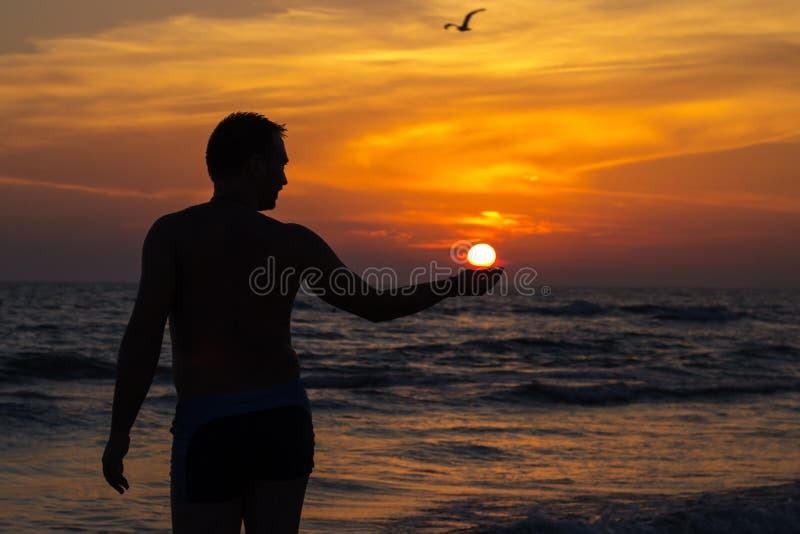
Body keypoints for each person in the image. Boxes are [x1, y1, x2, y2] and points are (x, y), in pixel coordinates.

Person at [101, 112, 502, 533]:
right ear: (254, 165)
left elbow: (143, 337)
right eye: (281, 165)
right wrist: (452, 285)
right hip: (280, 418)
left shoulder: (172, 234)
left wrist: (119, 435)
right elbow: (376, 306)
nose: (285, 180)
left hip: (209, 424)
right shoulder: (291, 241)